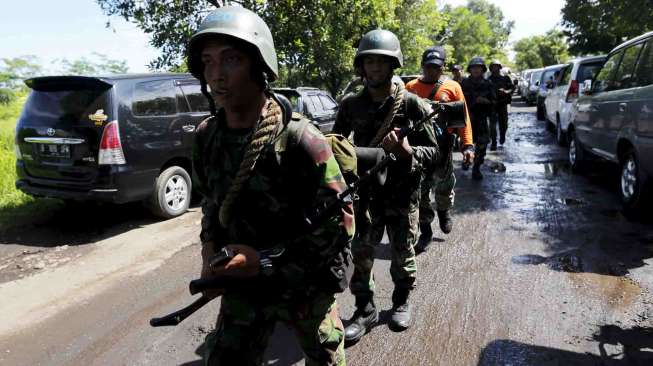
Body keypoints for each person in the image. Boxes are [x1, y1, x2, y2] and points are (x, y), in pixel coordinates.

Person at [188, 7, 354, 365]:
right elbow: (212, 206)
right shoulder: (206, 139)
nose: (216, 74)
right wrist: (210, 253)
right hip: (244, 286)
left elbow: (341, 227)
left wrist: (262, 262)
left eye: (230, 59)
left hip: (305, 283)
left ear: (259, 66)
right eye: (207, 61)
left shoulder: (301, 139)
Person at [332, 29, 441, 342]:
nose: (375, 68)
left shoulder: (413, 105)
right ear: (361, 66)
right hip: (366, 194)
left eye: (381, 62)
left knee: (402, 253)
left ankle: (401, 301)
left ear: (393, 65)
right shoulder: (351, 105)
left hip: (402, 194)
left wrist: (407, 152)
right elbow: (335, 147)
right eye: (369, 62)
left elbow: (435, 153)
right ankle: (365, 310)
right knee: (361, 255)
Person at [405, 46, 474, 250]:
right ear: (422, 66)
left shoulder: (452, 87)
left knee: (444, 185)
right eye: (428, 66)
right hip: (419, 147)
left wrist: (467, 145)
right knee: (421, 190)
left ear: (443, 67)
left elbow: (464, 118)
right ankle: (425, 231)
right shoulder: (410, 87)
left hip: (443, 147)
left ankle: (444, 212)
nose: (432, 71)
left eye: (437, 67)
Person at [461, 57, 496, 180]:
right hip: (467, 120)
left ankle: (476, 168)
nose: (476, 70)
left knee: (482, 146)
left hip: (481, 120)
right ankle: (466, 160)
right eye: (473, 67)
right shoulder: (464, 83)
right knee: (466, 144)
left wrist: (486, 101)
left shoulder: (488, 84)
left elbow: (494, 101)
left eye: (479, 68)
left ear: (483, 70)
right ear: (470, 70)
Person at [488, 60, 514, 150]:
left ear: (500, 67)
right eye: (493, 66)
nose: (495, 68)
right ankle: (494, 142)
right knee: (492, 125)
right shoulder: (488, 80)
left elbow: (512, 88)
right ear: (491, 68)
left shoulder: (505, 78)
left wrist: (505, 91)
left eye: (497, 66)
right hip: (492, 105)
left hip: (502, 104)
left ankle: (502, 136)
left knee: (504, 124)